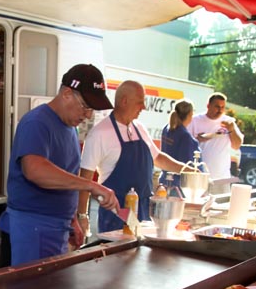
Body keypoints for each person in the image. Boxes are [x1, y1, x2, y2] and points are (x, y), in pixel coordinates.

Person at [0, 64, 119, 267]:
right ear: (66, 94)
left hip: (57, 229)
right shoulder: (36, 123)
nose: (88, 116)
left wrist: (72, 219)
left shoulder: (70, 129)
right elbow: (34, 169)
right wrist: (90, 185)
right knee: (29, 287)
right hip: (31, 230)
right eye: (86, 106)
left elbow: (65, 177)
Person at [78, 80, 195, 235]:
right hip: (117, 216)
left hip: (145, 214)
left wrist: (188, 170)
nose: (143, 107)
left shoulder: (139, 128)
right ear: (124, 101)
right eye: (140, 102)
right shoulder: (99, 134)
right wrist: (82, 216)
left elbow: (158, 157)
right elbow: (84, 179)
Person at [187, 92, 244, 194]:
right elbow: (185, 144)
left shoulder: (228, 122)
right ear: (208, 106)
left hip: (221, 177)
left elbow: (236, 145)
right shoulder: (195, 120)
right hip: (199, 176)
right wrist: (197, 139)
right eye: (217, 106)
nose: (220, 110)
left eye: (222, 107)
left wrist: (231, 130)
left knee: (222, 203)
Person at [159, 99, 203, 187]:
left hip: (164, 180)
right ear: (190, 114)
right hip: (179, 185)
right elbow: (188, 165)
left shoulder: (167, 129)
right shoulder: (185, 137)